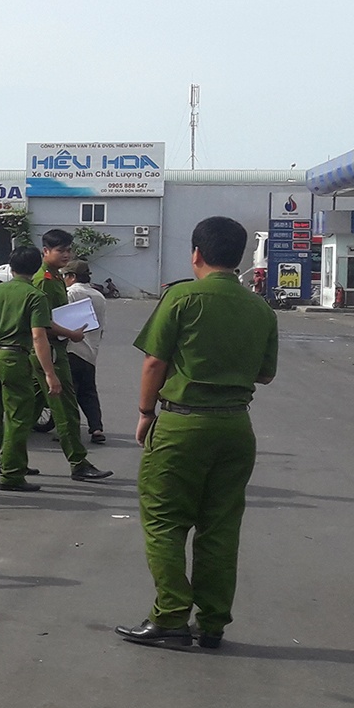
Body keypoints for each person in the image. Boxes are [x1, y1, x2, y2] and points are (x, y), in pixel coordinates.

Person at [115, 216, 278, 649]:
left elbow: (154, 362)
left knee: (166, 522)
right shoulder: (260, 308)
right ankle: (212, 624)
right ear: (238, 256)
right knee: (220, 528)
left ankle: (170, 616)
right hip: (235, 426)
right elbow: (264, 374)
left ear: (196, 254)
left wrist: (145, 412)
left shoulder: (182, 298)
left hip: (182, 424)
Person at [0, 245, 61, 492]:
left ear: (10, 266)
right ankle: (11, 472)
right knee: (18, 416)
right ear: (36, 267)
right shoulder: (35, 296)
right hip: (13, 357)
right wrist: (49, 373)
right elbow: (38, 337)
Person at [33, 230, 111, 483]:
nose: (66, 255)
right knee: (66, 409)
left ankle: (2, 460)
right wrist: (71, 334)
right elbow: (42, 324)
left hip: (50, 349)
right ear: (45, 251)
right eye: (60, 251)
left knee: (25, 410)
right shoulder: (45, 280)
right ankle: (78, 463)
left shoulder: (54, 277)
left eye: (68, 250)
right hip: (51, 350)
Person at [64, 260, 108, 444]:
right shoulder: (99, 296)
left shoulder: (71, 293)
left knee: (68, 393)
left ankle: (68, 430)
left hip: (71, 349)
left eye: (65, 276)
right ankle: (96, 428)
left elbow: (64, 318)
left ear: (72, 277)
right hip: (91, 351)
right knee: (89, 391)